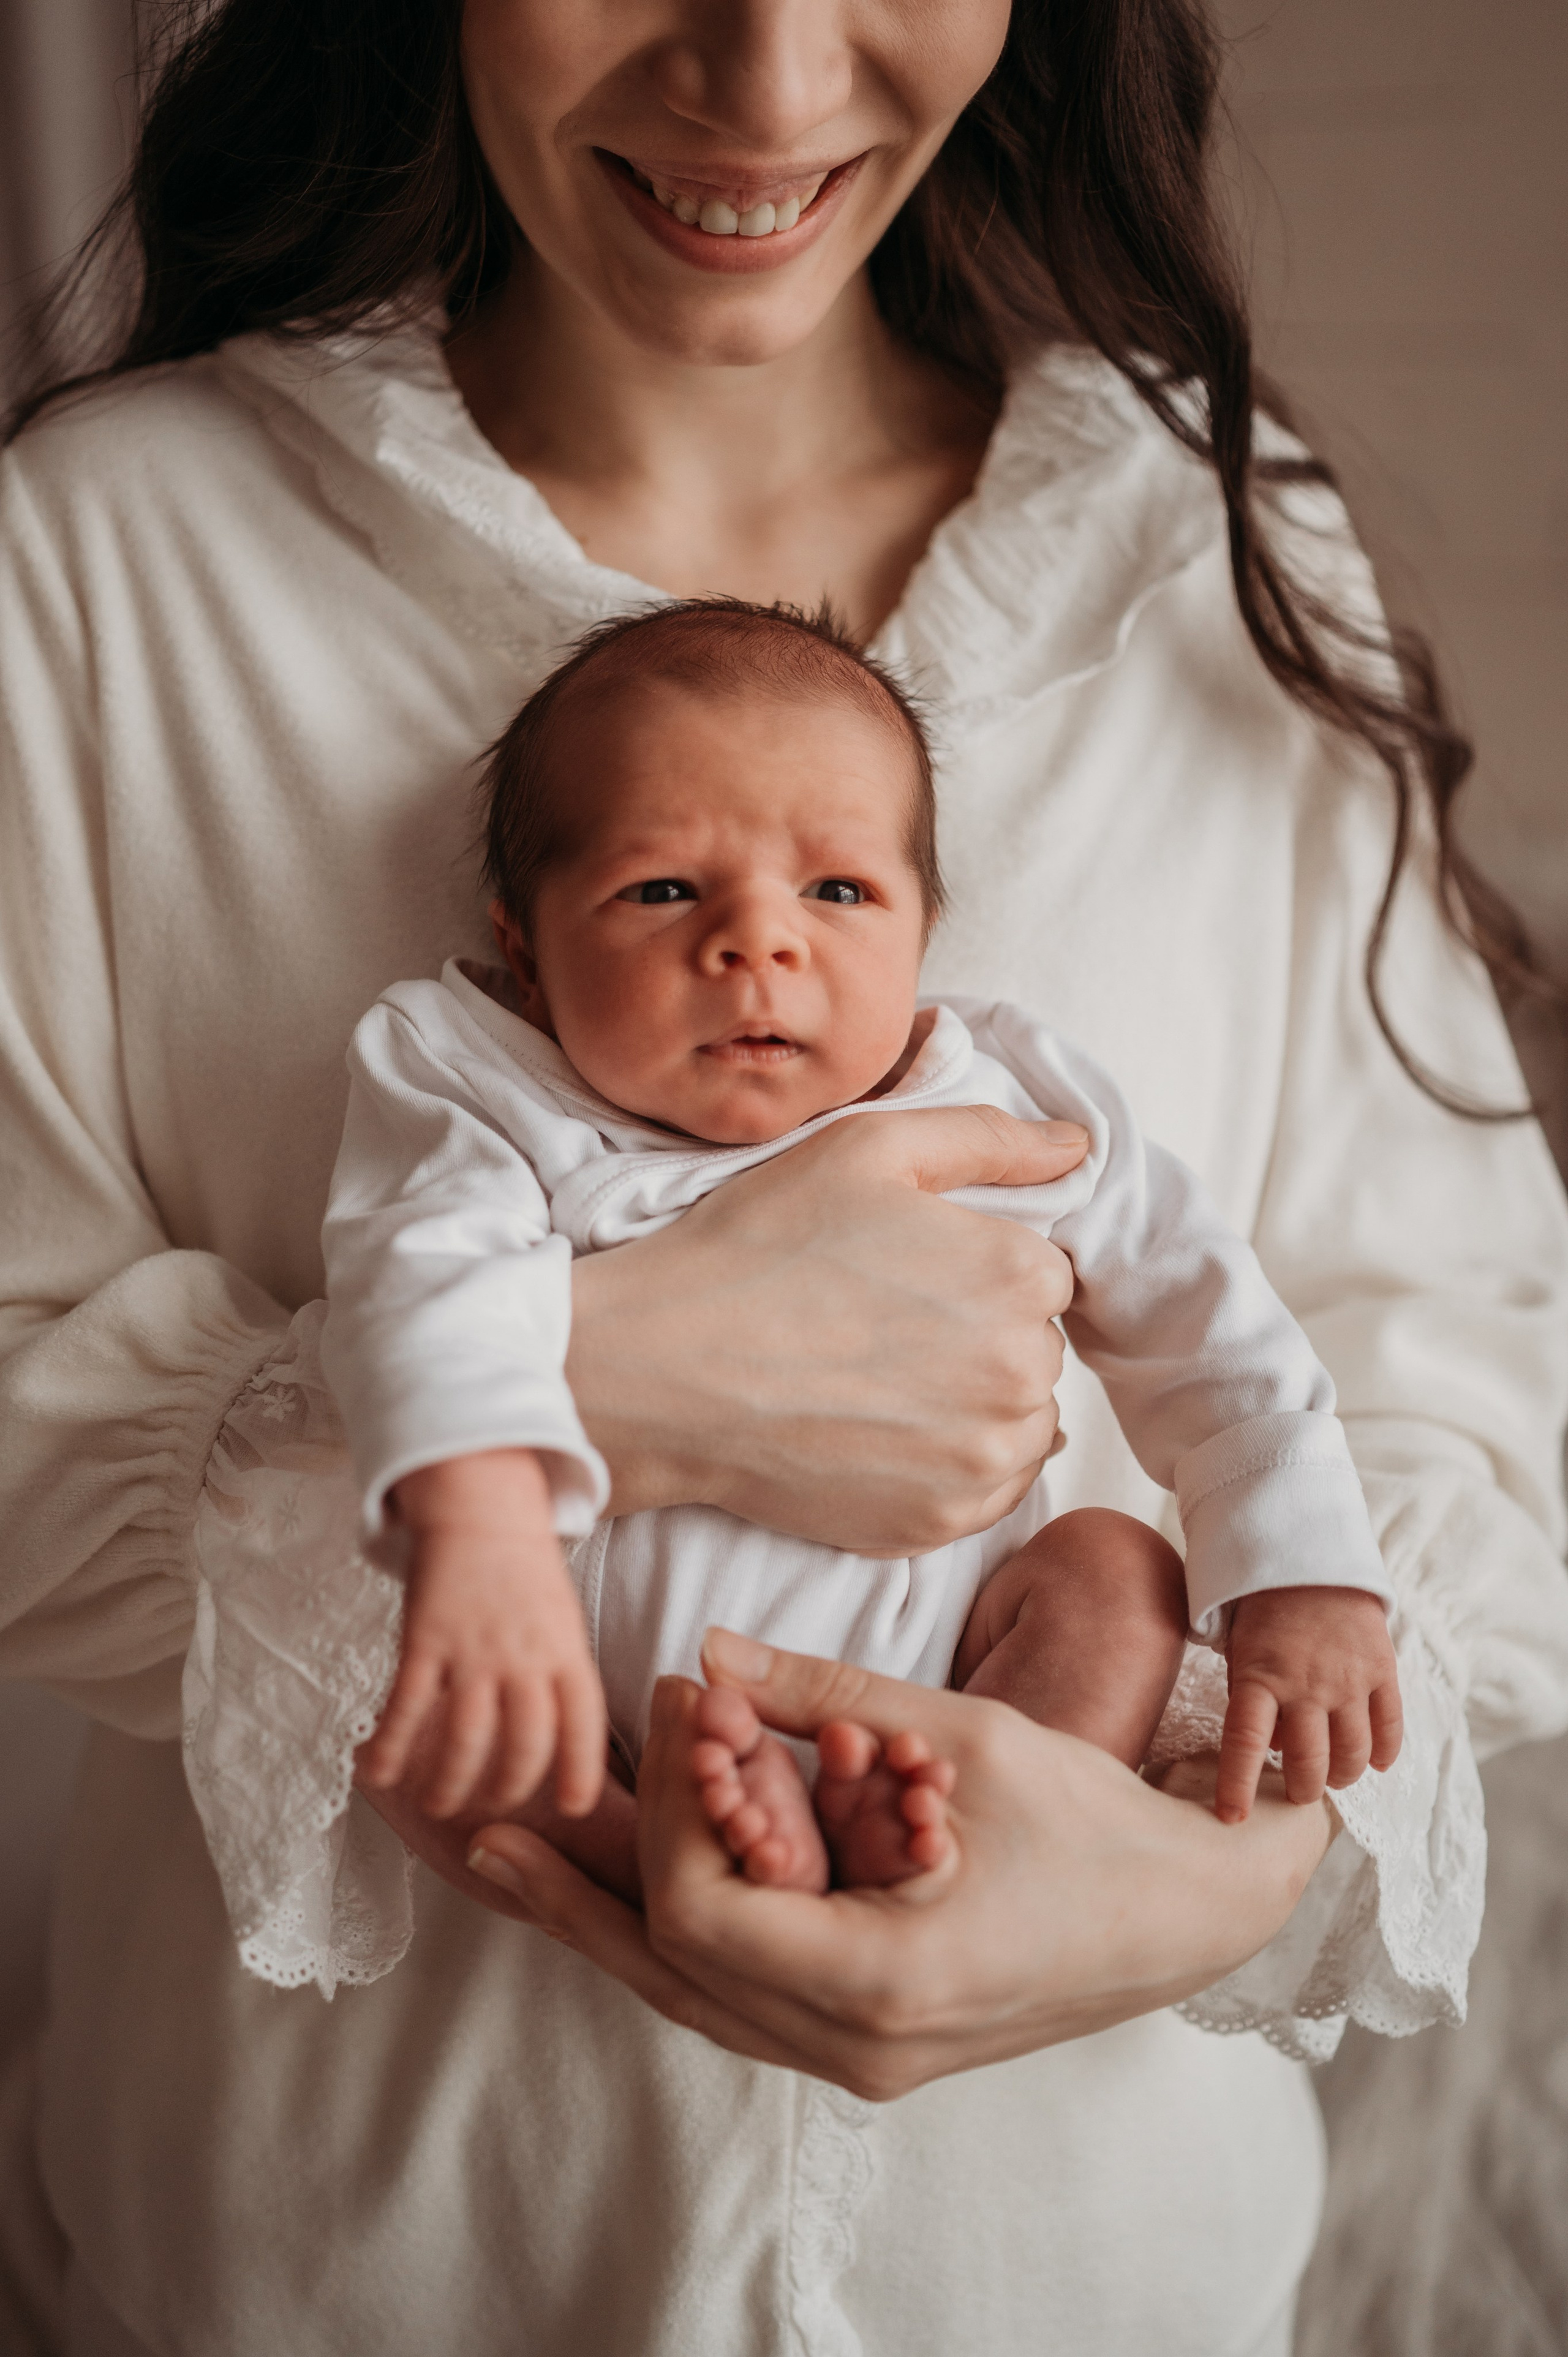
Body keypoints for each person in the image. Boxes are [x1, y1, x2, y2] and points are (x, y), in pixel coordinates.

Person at [1, 0, 1566, 2351]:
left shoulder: (1211, 551)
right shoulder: (107, 563)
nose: (766, 84)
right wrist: (597, 1385)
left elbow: (1462, 1377)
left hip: (1100, 2284)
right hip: (358, 2277)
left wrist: (1210, 1879)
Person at [296, 596, 1397, 1908]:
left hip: (955, 1672)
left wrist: (1304, 1564)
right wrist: (478, 1520)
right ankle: (654, 1860)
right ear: (523, 951)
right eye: (661, 889)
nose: (758, 941)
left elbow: (1199, 1309)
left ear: (922, 931)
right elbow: (419, 1288)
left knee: (1118, 1575)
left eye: (837, 891)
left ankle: (977, 1830)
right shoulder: (481, 1088)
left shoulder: (998, 1092)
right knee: (400, 1704)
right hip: (587, 1685)